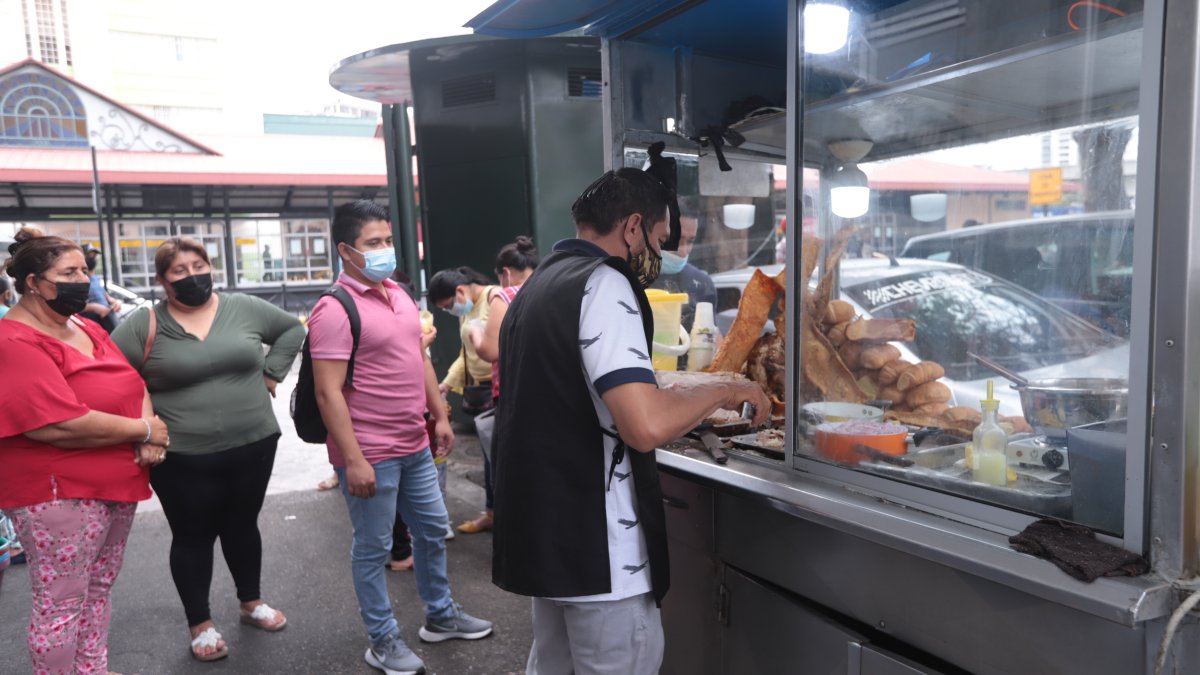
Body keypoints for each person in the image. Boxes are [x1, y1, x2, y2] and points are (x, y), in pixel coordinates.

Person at [492, 168, 770, 674]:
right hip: (601, 552)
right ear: (633, 226)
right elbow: (641, 425)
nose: (658, 255)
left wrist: (710, 387)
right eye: (660, 240)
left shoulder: (541, 286)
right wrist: (727, 389)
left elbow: (600, 383)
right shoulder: (606, 285)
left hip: (548, 538)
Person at [309, 200, 493, 675]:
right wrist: (352, 459)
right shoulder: (334, 309)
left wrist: (440, 415)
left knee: (432, 529)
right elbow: (328, 393)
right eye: (374, 243)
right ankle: (382, 638)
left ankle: (440, 614)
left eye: (388, 240)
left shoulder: (398, 294)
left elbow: (419, 360)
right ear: (346, 251)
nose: (385, 250)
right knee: (373, 548)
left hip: (414, 444)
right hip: (370, 452)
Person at [111, 236, 305, 661]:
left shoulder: (243, 308)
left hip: (253, 442)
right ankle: (200, 623)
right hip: (181, 456)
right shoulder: (145, 324)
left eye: (198, 265)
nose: (192, 276)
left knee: (242, 525)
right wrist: (142, 426)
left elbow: (292, 329)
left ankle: (251, 602)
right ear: (162, 280)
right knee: (193, 535)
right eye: (179, 270)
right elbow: (113, 375)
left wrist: (273, 372)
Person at [0, 227, 170, 675]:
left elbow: (131, 381)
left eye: (84, 270)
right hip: (57, 492)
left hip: (114, 482)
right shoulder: (13, 340)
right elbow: (56, 425)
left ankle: (93, 669)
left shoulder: (85, 325)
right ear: (33, 282)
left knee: (97, 589)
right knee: (60, 603)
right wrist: (143, 429)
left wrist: (148, 431)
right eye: (68, 272)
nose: (82, 279)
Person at [457, 235, 539, 535]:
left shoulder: (504, 296)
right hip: (547, 389)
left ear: (505, 272)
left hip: (513, 392)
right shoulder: (550, 288)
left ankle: (511, 524)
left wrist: (476, 334)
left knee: (505, 460)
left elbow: (491, 351)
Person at [428, 266, 497, 406]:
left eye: (448, 306)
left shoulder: (495, 298)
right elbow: (466, 354)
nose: (449, 311)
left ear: (459, 290)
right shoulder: (465, 310)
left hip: (498, 383)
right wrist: (446, 384)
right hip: (478, 387)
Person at [650, 213, 716, 333]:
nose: (683, 250)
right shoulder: (628, 279)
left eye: (690, 241)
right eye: (677, 240)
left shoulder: (702, 284)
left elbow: (711, 339)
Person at [80, 250, 122, 333]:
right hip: (91, 326)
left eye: (94, 256)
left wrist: (116, 302)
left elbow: (106, 297)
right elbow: (73, 306)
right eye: (89, 255)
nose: (93, 258)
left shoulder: (96, 279)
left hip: (106, 323)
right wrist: (95, 307)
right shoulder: (78, 280)